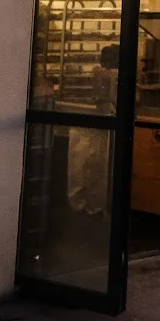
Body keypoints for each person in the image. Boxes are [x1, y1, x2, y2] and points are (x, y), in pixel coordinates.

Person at [67, 44, 119, 216]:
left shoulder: (99, 74)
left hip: (88, 122)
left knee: (82, 164)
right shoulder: (108, 76)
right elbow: (106, 99)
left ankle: (81, 203)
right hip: (98, 123)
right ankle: (92, 205)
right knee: (95, 165)